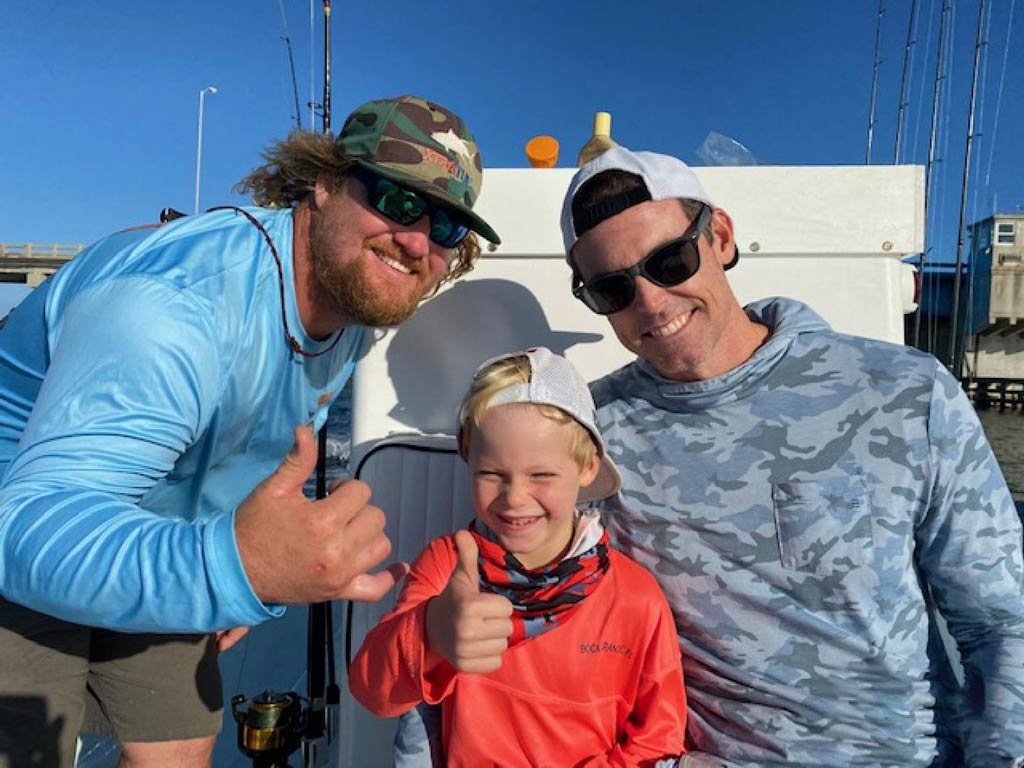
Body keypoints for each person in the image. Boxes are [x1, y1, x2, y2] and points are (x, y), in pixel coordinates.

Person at [0, 95, 500, 768]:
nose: (417, 241)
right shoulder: (176, 308)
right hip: (31, 527)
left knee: (178, 748)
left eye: (445, 227)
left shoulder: (347, 310)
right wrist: (235, 567)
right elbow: (24, 528)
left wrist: (248, 564)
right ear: (323, 184)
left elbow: (270, 438)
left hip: (164, 528)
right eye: (399, 202)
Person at [561, 146, 1024, 767]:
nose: (650, 302)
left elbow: (1001, 624)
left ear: (719, 236)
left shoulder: (905, 390)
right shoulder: (585, 435)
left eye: (670, 261)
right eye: (613, 289)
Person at [349, 347, 687, 767]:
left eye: (541, 475)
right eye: (492, 475)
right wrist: (431, 632)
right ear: (468, 460)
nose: (514, 499)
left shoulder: (637, 598)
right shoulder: (449, 564)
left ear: (587, 468)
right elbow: (372, 692)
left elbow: (658, 741)